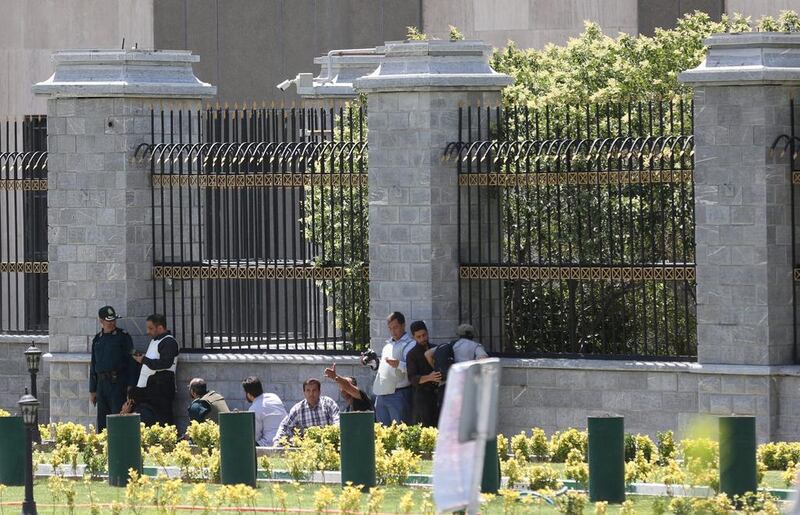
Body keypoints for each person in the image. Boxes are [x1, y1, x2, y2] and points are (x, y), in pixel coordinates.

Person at [89, 305, 134, 431]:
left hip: (117, 383)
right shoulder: (97, 339)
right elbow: (93, 365)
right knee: (102, 421)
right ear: (101, 321)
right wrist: (92, 389)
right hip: (101, 385)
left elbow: (131, 362)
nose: (112, 323)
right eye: (109, 320)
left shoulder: (123, 337)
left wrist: (131, 386)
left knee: (117, 418)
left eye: (114, 320)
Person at [426, 323, 489, 407]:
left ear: (458, 334)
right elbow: (483, 359)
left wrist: (436, 369)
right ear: (472, 334)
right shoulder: (475, 346)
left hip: (446, 386)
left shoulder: (449, 345)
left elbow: (427, 354)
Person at [133, 314, 179, 425]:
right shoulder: (155, 341)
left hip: (161, 389)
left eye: (150, 328)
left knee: (162, 421)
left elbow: (165, 363)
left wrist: (143, 360)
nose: (148, 331)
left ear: (160, 328)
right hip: (150, 390)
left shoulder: (169, 341)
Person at [372, 312, 416, 425]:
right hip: (382, 394)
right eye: (390, 328)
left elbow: (413, 369)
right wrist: (371, 362)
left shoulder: (410, 344)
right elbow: (383, 368)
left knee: (400, 432)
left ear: (403, 325)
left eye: (395, 327)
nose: (393, 331)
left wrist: (398, 364)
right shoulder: (387, 346)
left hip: (399, 394)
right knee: (383, 433)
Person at [273, 378, 339, 445]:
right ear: (304, 393)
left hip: (329, 446)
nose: (311, 394)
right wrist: (277, 442)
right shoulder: (298, 409)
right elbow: (285, 426)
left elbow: (338, 422)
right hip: (307, 448)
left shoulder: (328, 403)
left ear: (319, 392)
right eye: (308, 390)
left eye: (314, 390)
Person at [406, 321, 441, 427]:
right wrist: (430, 377)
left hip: (437, 395)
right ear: (414, 337)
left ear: (427, 333)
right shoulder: (412, 354)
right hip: (422, 398)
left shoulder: (436, 348)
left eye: (424, 335)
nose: (422, 339)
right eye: (419, 337)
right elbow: (412, 378)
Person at [243, 376, 287, 447]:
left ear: (248, 394)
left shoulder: (254, 409)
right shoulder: (274, 397)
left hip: (269, 445)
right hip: (285, 440)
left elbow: (254, 436)